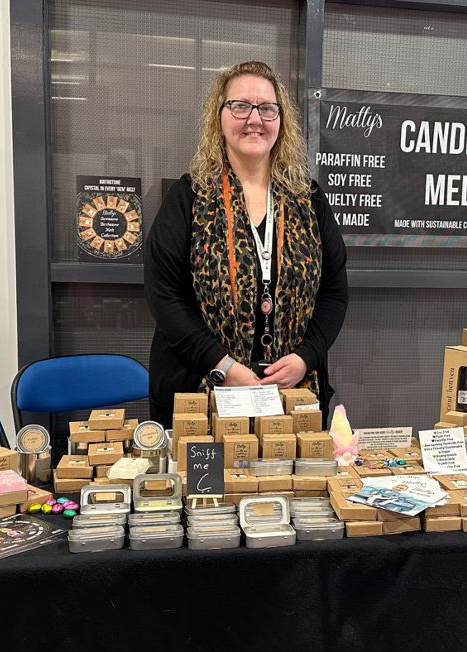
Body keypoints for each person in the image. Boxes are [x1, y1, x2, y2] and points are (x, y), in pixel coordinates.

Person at [144, 61, 348, 427]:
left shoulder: (309, 200)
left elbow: (334, 293)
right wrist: (224, 367)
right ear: (219, 118)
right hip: (202, 388)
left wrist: (306, 356)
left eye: (267, 108)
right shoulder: (190, 197)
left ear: (281, 120)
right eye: (240, 106)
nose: (255, 119)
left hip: (292, 394)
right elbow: (165, 296)